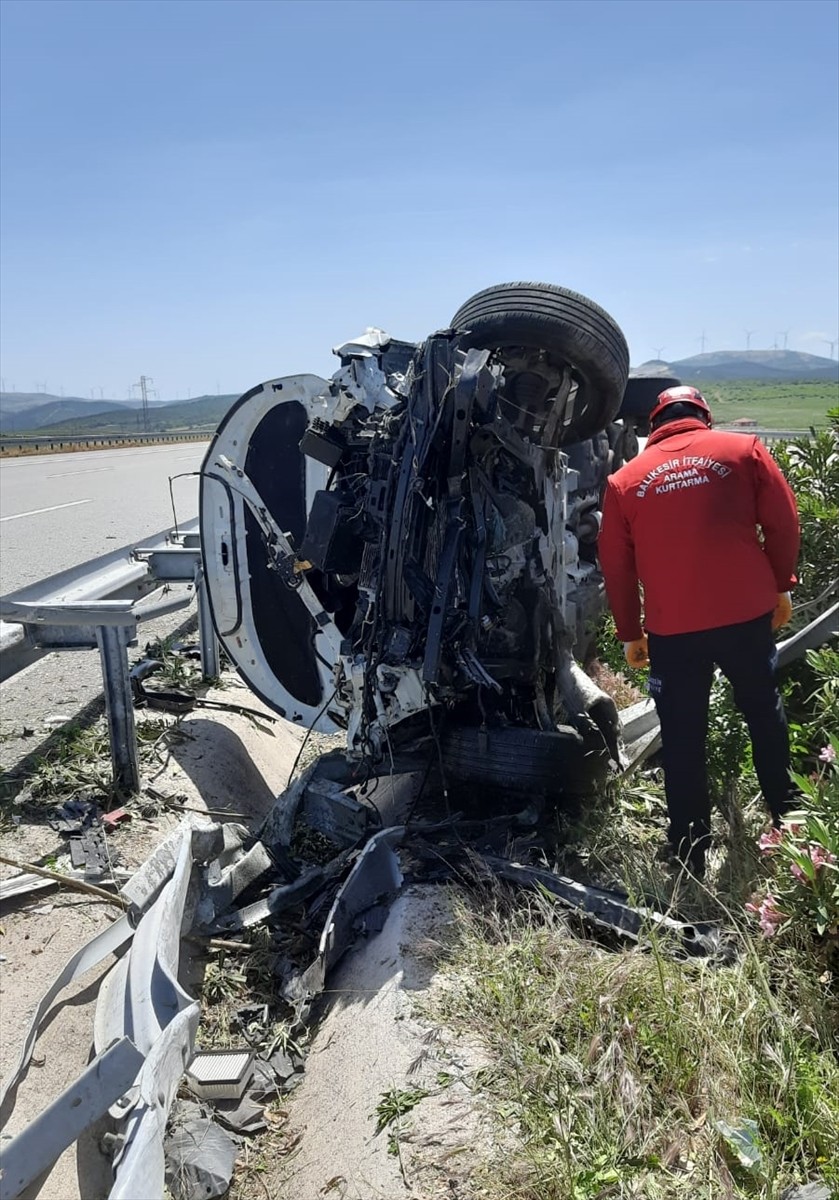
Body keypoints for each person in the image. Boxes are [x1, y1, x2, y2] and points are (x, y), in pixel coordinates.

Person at [597, 385, 800, 876]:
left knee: (683, 733)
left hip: (674, 629)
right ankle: (789, 816)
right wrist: (781, 585)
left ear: (654, 425)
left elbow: (616, 566)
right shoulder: (743, 450)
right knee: (762, 710)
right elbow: (783, 521)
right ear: (704, 417)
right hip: (746, 615)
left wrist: (629, 632)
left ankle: (689, 847)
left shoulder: (625, 480)